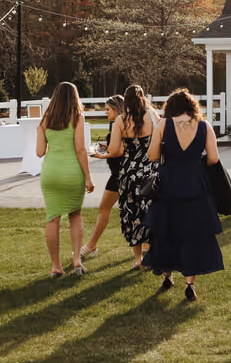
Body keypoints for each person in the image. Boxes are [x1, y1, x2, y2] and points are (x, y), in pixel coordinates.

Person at [142, 89, 224, 301]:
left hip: (169, 183)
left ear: (170, 107)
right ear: (192, 107)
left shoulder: (163, 125)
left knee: (167, 229)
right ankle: (189, 284)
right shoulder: (205, 126)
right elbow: (213, 158)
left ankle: (167, 276)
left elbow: (152, 156)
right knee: (193, 234)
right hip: (196, 183)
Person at [37, 81, 94, 277]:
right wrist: (88, 177)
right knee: (75, 216)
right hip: (71, 172)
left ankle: (55, 266)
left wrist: (40, 131)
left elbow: (39, 152)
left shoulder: (45, 120)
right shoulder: (77, 117)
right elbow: (80, 149)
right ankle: (77, 261)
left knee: (52, 218)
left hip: (51, 173)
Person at [108, 84, 159, 270]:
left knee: (132, 215)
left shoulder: (121, 121)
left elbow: (114, 150)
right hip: (150, 172)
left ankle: (137, 260)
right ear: (143, 98)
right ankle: (152, 254)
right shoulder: (153, 118)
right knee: (151, 213)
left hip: (129, 174)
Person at [80, 95, 125, 260]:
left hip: (120, 174)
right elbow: (119, 147)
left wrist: (101, 155)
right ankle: (148, 246)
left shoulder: (119, 123)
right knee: (135, 211)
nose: (105, 112)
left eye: (108, 109)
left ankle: (91, 246)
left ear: (117, 109)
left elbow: (119, 152)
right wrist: (108, 147)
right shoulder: (119, 123)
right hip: (120, 173)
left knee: (104, 208)